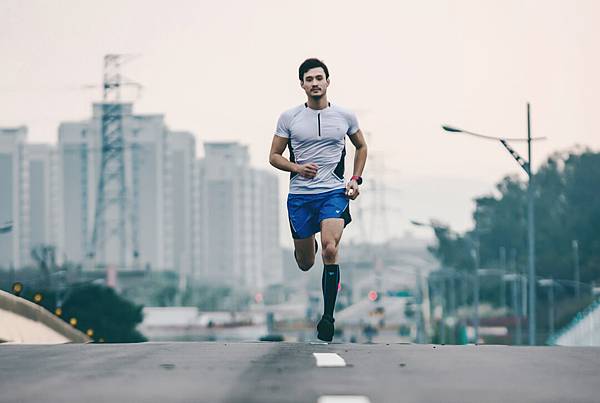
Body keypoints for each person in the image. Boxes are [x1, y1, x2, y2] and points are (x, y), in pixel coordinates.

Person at [269, 58, 368, 342]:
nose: (314, 83)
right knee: (305, 262)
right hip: (301, 196)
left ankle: (328, 318)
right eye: (309, 79)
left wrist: (355, 179)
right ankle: (307, 243)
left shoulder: (345, 116)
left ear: (327, 81)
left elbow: (361, 146)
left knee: (330, 249)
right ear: (302, 84)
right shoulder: (289, 118)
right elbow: (274, 156)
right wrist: (297, 168)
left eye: (319, 78)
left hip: (333, 192)